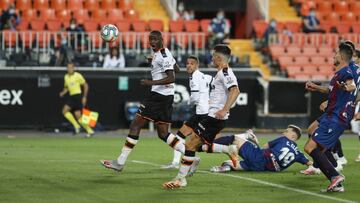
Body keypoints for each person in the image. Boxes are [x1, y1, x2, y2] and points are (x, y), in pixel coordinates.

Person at [100, 30, 184, 172]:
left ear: (162, 39)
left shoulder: (162, 55)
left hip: (158, 96)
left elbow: (172, 77)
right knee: (163, 134)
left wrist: (150, 82)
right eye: (150, 39)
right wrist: (155, 62)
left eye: (155, 39)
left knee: (135, 125)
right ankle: (191, 155)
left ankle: (120, 162)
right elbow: (177, 69)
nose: (152, 42)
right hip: (167, 96)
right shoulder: (165, 52)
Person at [163, 44, 240, 189]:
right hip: (211, 116)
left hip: (215, 118)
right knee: (198, 146)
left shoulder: (225, 72)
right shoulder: (220, 73)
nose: (211, 58)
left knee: (190, 145)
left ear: (218, 57)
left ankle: (181, 179)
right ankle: (229, 150)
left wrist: (224, 109)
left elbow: (235, 90)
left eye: (213, 55)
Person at [303, 42, 357, 193]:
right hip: (331, 116)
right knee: (317, 147)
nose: (333, 56)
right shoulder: (338, 74)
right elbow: (331, 90)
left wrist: (347, 87)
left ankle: (335, 175)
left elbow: (351, 85)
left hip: (335, 117)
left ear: (341, 56)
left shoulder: (346, 72)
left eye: (335, 54)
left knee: (310, 147)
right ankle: (336, 182)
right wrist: (316, 87)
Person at [160, 55, 212, 169]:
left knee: (201, 143)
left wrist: (187, 103)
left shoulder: (194, 78)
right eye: (187, 63)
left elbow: (195, 98)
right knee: (181, 136)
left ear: (197, 65)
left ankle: (234, 145)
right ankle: (176, 162)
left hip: (202, 113)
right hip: (204, 112)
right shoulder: (204, 76)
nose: (188, 65)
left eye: (191, 64)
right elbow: (212, 82)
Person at [209, 126, 312, 173]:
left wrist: (255, 142)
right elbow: (310, 164)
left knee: (236, 139)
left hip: (259, 157)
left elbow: (264, 147)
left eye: (286, 131)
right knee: (228, 162)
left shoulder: (284, 139)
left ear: (293, 136)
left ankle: (210, 143)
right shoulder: (299, 153)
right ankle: (227, 167)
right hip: (262, 168)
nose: (283, 133)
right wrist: (315, 168)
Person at [59, 62, 94, 138]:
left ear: (73, 68)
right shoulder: (66, 77)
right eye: (68, 68)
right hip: (72, 96)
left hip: (77, 96)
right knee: (78, 116)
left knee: (65, 111)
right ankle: (90, 130)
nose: (69, 69)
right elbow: (66, 87)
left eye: (71, 67)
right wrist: (63, 93)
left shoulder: (77, 75)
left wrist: (84, 97)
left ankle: (77, 126)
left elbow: (86, 85)